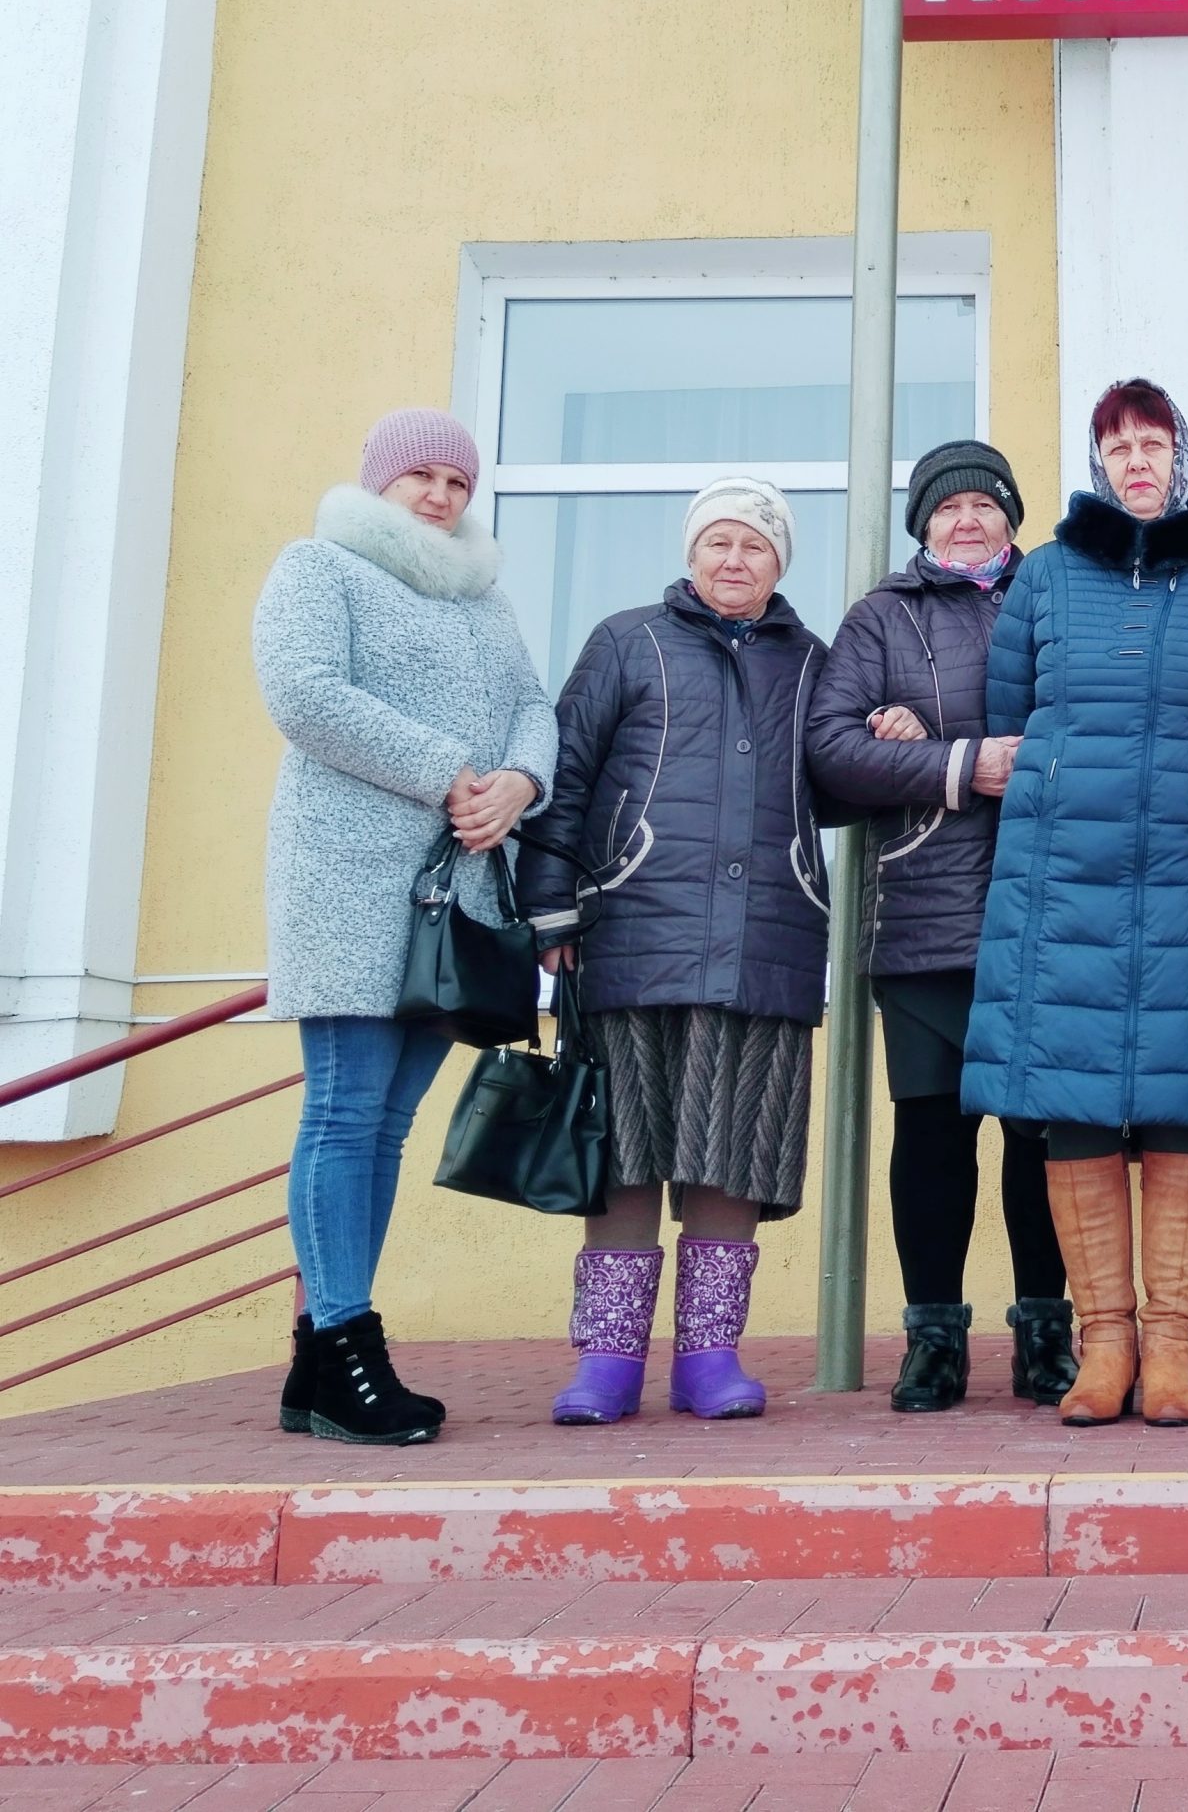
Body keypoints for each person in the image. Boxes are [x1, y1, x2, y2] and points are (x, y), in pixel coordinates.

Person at [964, 379, 1188, 1427]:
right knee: (1074, 1108)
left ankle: (1174, 1345)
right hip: (1063, 879)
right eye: (1118, 446)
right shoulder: (1048, 575)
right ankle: (1103, 1343)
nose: (1136, 462)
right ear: (1097, 462)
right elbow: (1010, 718)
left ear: (1179, 457)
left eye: (1153, 443)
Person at [254, 407, 556, 1446]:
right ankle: (346, 1343)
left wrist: (520, 782)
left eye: (458, 481)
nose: (439, 494)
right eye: (421, 475)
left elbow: (531, 704)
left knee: (386, 1122)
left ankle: (318, 1364)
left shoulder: (483, 597)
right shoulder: (319, 567)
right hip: (347, 881)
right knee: (345, 1110)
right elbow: (303, 693)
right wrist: (449, 773)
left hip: (454, 897)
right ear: (380, 479)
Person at [519, 475, 841, 1425]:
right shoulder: (628, 642)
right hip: (630, 935)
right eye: (719, 542)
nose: (735, 559)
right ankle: (607, 1363)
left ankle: (710, 1359)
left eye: (756, 545)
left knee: (733, 1151)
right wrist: (551, 908)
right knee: (625, 1150)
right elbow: (566, 775)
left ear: (780, 563)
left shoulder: (812, 662)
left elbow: (844, 781)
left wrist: (891, 729)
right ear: (691, 553)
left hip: (766, 941)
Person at [804, 439, 1075, 1414]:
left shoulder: (1057, 596)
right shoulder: (882, 617)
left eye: (983, 505)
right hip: (923, 914)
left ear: (1011, 517)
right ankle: (933, 1341)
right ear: (923, 524)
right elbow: (830, 753)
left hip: (1050, 911)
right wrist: (957, 764)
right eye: (946, 508)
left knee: (1043, 1135)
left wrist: (933, 740)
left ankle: (1046, 1335)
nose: (966, 521)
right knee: (931, 1134)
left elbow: (1098, 723)